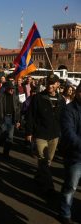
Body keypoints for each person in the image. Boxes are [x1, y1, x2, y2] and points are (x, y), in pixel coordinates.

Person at [25, 74, 66, 195]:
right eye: (49, 83)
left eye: (53, 83)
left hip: (54, 135)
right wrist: (29, 132)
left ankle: (39, 176)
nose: (50, 85)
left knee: (48, 161)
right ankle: (49, 186)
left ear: (57, 84)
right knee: (43, 159)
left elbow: (63, 118)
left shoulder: (61, 100)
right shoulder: (38, 97)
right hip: (40, 134)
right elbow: (30, 116)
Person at [59, 83, 81, 224]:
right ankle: (65, 212)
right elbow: (68, 133)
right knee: (71, 186)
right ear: (77, 92)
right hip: (75, 156)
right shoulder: (69, 109)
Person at [0, 81, 21, 158]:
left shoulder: (15, 97)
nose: (11, 90)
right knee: (2, 135)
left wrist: (18, 120)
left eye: (12, 89)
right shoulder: (0, 96)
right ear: (6, 89)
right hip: (3, 118)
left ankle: (6, 153)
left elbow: (18, 109)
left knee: (10, 137)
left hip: (12, 118)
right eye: (10, 89)